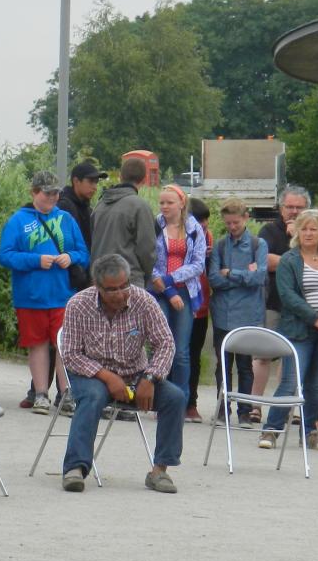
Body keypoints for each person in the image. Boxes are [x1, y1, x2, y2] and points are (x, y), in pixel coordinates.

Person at [58, 253, 185, 494]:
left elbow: (166, 344)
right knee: (93, 397)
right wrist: (107, 377)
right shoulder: (78, 304)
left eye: (124, 286)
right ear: (97, 287)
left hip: (136, 373)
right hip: (91, 376)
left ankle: (160, 470)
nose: (120, 294)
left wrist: (151, 377)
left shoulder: (144, 301)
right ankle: (75, 468)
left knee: (175, 398)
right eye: (112, 289)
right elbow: (71, 354)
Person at [256, 210, 318, 453]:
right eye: (304, 228)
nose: (308, 233)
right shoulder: (289, 260)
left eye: (313, 229)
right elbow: (287, 296)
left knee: (316, 384)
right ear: (297, 232)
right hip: (298, 330)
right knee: (290, 381)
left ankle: (309, 433)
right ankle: (271, 429)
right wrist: (315, 318)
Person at [0, 170, 88, 415]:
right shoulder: (18, 220)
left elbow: (83, 253)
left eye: (56, 193)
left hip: (63, 294)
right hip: (31, 296)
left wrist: (70, 257)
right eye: (47, 193)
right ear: (34, 192)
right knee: (37, 344)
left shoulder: (67, 219)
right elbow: (5, 255)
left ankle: (66, 393)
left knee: (64, 345)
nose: (52, 198)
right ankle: (40, 394)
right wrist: (36, 260)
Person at [251, 185, 310, 419]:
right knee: (262, 355)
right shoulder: (269, 230)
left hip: (302, 307)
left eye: (299, 207)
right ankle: (255, 405)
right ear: (281, 207)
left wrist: (291, 249)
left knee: (292, 357)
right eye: (290, 207)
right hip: (273, 301)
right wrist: (296, 260)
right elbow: (264, 260)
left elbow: (314, 261)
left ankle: (289, 406)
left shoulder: (310, 232)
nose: (294, 211)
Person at [208, 199, 267, 427]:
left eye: (236, 222)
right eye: (228, 223)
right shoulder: (221, 246)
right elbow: (214, 278)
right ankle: (223, 409)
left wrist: (230, 273)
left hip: (248, 314)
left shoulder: (257, 244)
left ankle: (244, 411)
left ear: (246, 219)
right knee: (223, 365)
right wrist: (244, 276)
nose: (232, 227)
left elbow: (259, 277)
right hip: (223, 313)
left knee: (245, 365)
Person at [149, 184, 207, 394]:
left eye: (169, 203)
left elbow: (198, 264)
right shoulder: (156, 225)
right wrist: (165, 287)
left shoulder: (193, 228)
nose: (164, 207)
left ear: (182, 204)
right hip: (159, 291)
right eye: (162, 202)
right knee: (161, 345)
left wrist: (171, 278)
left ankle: (181, 397)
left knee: (181, 350)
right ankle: (156, 395)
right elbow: (149, 259)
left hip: (185, 289)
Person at [90, 156, 156, 288]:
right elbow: (147, 249)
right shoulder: (139, 206)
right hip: (128, 279)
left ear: (120, 176)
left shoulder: (100, 205)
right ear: (144, 179)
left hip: (101, 280)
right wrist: (148, 275)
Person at [185, 197, 214, 423]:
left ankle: (191, 403)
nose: (203, 227)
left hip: (201, 305)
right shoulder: (174, 235)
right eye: (199, 222)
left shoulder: (209, 237)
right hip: (180, 301)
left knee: (194, 355)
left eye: (205, 222)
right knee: (175, 354)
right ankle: (166, 401)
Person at [57, 161, 106, 255]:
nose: (95, 187)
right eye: (91, 182)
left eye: (96, 182)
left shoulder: (87, 208)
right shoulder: (64, 206)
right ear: (76, 181)